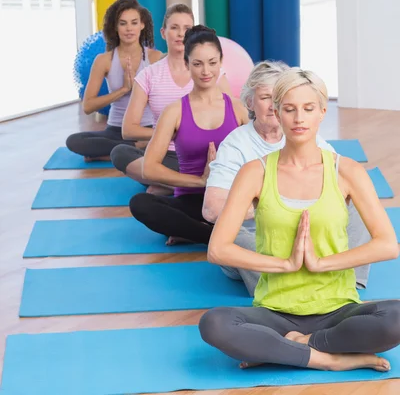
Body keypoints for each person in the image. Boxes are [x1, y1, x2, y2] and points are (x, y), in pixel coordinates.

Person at [199, 68, 400, 373]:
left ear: (322, 112)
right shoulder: (255, 172)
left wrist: (322, 263)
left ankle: (296, 345)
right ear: (277, 113)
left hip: (338, 309)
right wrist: (285, 264)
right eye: (289, 109)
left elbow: (388, 245)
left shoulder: (346, 171)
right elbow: (218, 249)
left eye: (308, 109)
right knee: (214, 323)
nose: (299, 118)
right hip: (275, 311)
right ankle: (328, 359)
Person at [202, 61, 371, 295]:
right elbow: (211, 210)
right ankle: (287, 284)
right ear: (250, 102)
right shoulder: (236, 144)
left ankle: (345, 277)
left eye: (279, 98)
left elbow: (340, 189)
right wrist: (272, 207)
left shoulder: (306, 136)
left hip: (308, 233)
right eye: (265, 98)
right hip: (259, 237)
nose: (273, 106)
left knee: (360, 206)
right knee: (232, 236)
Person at [129, 26, 248, 244]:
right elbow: (149, 167)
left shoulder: (239, 109)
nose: (206, 71)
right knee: (140, 203)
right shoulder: (174, 111)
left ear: (221, 62)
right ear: (186, 64)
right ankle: (212, 237)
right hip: (191, 200)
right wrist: (200, 180)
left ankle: (190, 231)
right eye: (197, 64)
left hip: (228, 197)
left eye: (212, 63)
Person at [110, 4, 232, 193]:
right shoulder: (148, 75)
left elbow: (232, 118)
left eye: (187, 29)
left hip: (203, 153)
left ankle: (167, 184)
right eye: (174, 27)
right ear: (163, 32)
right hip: (166, 154)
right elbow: (128, 129)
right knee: (120, 152)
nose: (180, 34)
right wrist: (169, 133)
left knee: (151, 193)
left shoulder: (211, 73)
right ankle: (186, 183)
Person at [66, 0, 162, 161]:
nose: (129, 29)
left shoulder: (155, 58)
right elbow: (88, 106)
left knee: (166, 137)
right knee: (74, 141)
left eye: (134, 22)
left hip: (144, 129)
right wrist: (123, 89)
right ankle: (137, 148)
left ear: (142, 24)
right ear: (115, 27)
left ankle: (109, 154)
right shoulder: (104, 60)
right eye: (123, 23)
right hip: (115, 130)